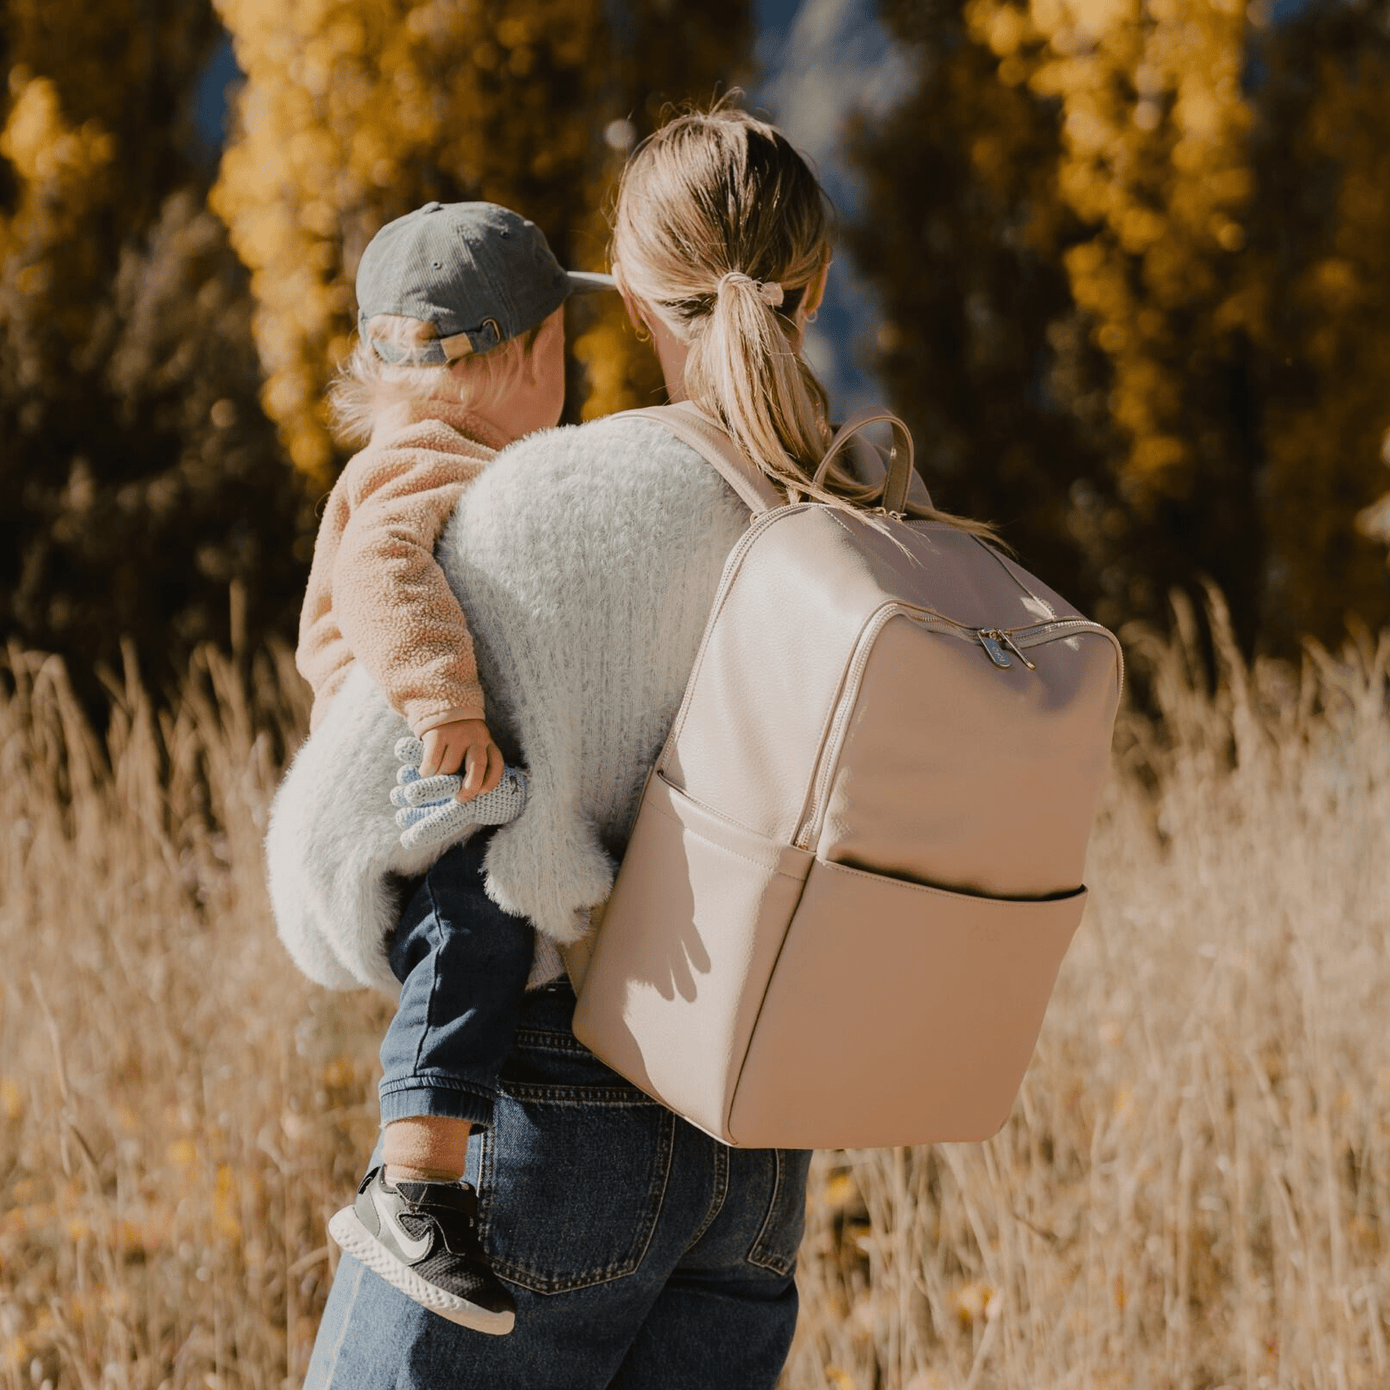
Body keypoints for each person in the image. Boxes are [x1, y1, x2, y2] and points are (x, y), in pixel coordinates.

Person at [301, 102, 925, 1389]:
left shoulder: (544, 499)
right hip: (759, 1139)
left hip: (548, 1111)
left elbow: (352, 814)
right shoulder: (857, 508)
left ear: (633, 299)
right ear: (813, 288)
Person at [293, 198, 613, 1333]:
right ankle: (415, 1184)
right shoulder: (422, 460)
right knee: (472, 918)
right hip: (405, 759)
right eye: (565, 346)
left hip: (427, 756)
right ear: (524, 356)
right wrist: (445, 702)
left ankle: (425, 1169)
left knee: (482, 921)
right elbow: (381, 572)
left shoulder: (424, 447)